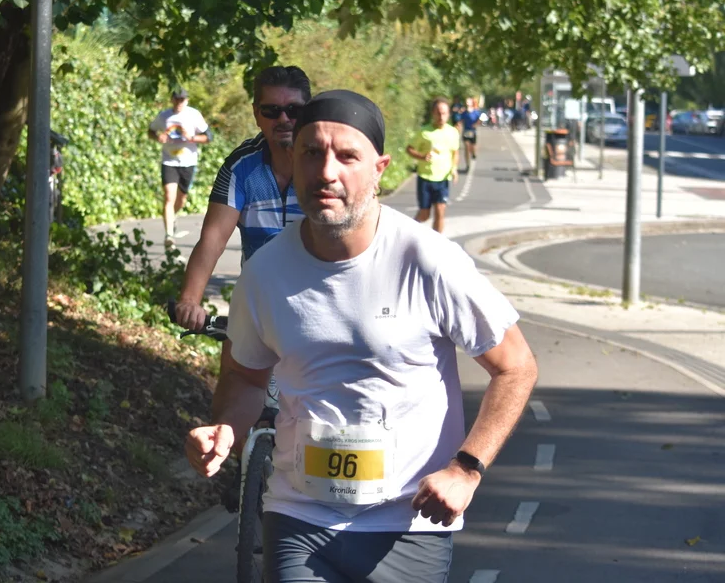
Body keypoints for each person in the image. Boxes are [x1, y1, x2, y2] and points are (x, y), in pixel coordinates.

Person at [185, 89, 538, 583]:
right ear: (294, 161)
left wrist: (466, 468)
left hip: (408, 525)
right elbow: (245, 376)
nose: (326, 172)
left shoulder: (427, 260)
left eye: (347, 156)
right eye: (311, 153)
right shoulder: (264, 273)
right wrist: (226, 428)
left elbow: (515, 366)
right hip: (298, 516)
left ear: (380, 169)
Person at [173, 65, 311, 333]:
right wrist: (190, 300)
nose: (283, 118)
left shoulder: (327, 163)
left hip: (319, 307)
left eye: (294, 110)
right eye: (271, 111)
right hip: (259, 309)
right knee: (235, 360)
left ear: (309, 112)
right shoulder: (240, 167)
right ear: (257, 114)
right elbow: (213, 239)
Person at [147, 89, 211, 246]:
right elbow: (151, 131)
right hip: (169, 161)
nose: (179, 102)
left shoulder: (194, 115)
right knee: (169, 196)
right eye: (176, 99)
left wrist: (192, 138)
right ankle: (169, 234)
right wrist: (158, 137)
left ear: (187, 100)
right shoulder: (164, 116)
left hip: (188, 162)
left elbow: (208, 137)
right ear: (172, 100)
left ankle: (172, 217)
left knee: (181, 200)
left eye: (182, 100)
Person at [407, 97, 460, 234]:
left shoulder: (453, 132)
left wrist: (454, 169)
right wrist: (422, 156)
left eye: (444, 113)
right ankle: (407, 234)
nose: (441, 116)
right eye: (438, 113)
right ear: (433, 113)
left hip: (443, 178)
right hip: (425, 177)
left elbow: (455, 153)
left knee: (440, 211)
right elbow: (409, 149)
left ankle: (437, 242)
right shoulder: (424, 132)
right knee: (424, 214)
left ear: (448, 114)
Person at [456, 97, 484, 163]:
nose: (467, 102)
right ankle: (467, 164)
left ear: (472, 103)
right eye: (466, 101)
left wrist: (476, 124)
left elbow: (481, 119)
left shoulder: (476, 112)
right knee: (466, 146)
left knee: (472, 147)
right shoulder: (464, 112)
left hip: (472, 131)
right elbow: (460, 120)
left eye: (468, 101)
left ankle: (473, 153)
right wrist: (458, 125)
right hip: (466, 131)